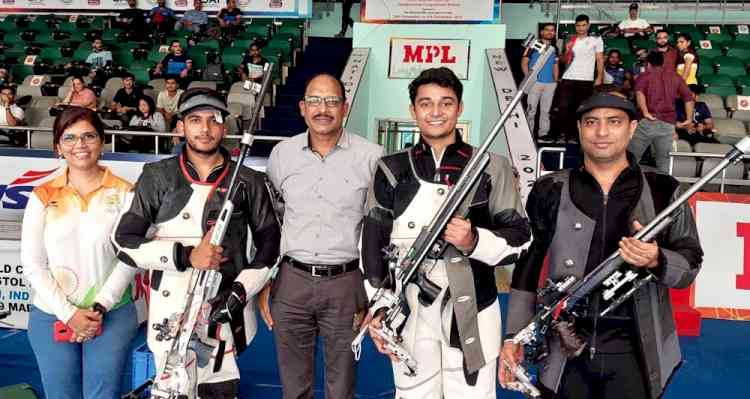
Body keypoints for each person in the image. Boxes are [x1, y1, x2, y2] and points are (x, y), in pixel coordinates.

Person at [500, 93, 703, 399]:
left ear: (633, 128)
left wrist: (656, 258)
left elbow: (690, 262)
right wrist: (514, 335)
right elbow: (527, 266)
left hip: (635, 350)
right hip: (564, 348)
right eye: (592, 123)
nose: (602, 132)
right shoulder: (550, 188)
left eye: (614, 122)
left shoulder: (664, 189)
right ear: (580, 129)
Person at [363, 67, 532, 398]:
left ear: (459, 108)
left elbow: (520, 239)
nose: (436, 112)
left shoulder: (491, 166)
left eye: (446, 102)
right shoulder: (391, 168)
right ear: (413, 110)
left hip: (475, 309)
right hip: (408, 309)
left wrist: (473, 240)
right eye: (426, 103)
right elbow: (371, 243)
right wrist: (379, 308)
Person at [112, 88, 281, 398]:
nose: (205, 129)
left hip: (226, 310)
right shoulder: (156, 176)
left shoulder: (249, 181)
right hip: (170, 310)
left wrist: (240, 292)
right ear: (180, 127)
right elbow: (122, 243)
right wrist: (186, 256)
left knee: (220, 386)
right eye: (194, 120)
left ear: (225, 127)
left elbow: (270, 247)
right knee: (174, 389)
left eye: (213, 120)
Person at [257, 73, 383, 399]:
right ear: (302, 107)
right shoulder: (282, 155)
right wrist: (264, 279)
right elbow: (270, 222)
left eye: (331, 101)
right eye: (314, 100)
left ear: (345, 107)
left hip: (347, 284)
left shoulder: (372, 157)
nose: (322, 109)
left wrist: (377, 291)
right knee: (293, 385)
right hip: (291, 282)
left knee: (341, 387)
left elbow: (383, 228)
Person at [21, 107, 139, 399]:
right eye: (70, 137)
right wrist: (69, 313)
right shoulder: (43, 195)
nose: (80, 145)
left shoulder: (127, 193)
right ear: (58, 148)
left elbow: (131, 255)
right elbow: (33, 264)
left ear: (102, 141)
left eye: (89, 136)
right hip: (52, 315)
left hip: (111, 314)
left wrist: (99, 307)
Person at [628, 51, 695, 172]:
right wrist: (689, 119)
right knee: (663, 160)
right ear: (663, 62)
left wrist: (645, 112)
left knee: (631, 158)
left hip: (647, 122)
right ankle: (665, 189)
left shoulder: (644, 76)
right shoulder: (675, 76)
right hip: (668, 123)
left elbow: (639, 93)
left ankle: (625, 188)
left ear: (648, 63)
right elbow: (688, 97)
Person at [556, 14, 604, 142]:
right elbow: (562, 61)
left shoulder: (596, 40)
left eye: (583, 25)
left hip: (586, 80)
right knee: (563, 107)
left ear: (588, 25)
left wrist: (599, 77)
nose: (581, 28)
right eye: (578, 25)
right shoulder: (570, 40)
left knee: (580, 110)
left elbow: (599, 60)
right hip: (568, 78)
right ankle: (562, 134)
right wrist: (567, 51)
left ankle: (575, 136)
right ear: (575, 26)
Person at [522, 23, 559, 141]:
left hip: (550, 84)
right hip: (535, 83)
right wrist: (529, 79)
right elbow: (524, 62)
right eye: (547, 30)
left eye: (552, 30)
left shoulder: (555, 48)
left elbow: (555, 65)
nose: (550, 32)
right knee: (531, 111)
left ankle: (543, 135)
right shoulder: (533, 44)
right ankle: (528, 136)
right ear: (542, 32)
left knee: (546, 112)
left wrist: (556, 80)